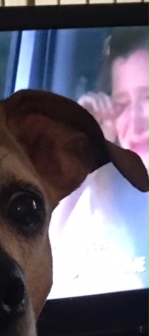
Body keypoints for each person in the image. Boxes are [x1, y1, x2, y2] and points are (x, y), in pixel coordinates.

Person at [49, 27, 149, 299]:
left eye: (148, 98)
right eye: (122, 104)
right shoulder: (88, 203)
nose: (136, 122)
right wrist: (85, 147)